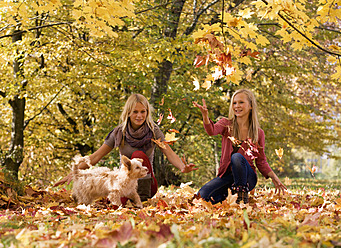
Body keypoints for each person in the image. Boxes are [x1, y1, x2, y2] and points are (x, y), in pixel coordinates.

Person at [54, 93, 198, 201]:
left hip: (146, 184)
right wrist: (75, 173)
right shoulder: (119, 132)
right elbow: (96, 156)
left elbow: (169, 153)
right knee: (116, 195)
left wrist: (182, 167)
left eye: (143, 111)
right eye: (135, 112)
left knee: (138, 157)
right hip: (124, 184)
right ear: (128, 113)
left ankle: (141, 197)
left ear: (147, 112)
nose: (139, 115)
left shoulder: (153, 131)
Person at [193, 89, 286, 204]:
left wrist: (274, 177)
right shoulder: (226, 124)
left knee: (237, 157)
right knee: (201, 197)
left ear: (251, 106)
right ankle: (228, 197)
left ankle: (242, 196)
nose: (237, 106)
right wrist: (205, 116)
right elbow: (211, 131)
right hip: (227, 176)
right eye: (234, 103)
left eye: (241, 102)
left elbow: (261, 161)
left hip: (247, 178)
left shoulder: (258, 133)